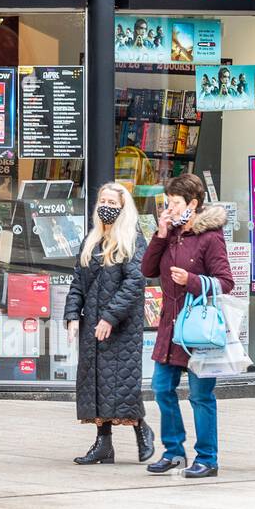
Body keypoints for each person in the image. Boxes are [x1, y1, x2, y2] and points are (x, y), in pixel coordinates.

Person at [140, 173, 233, 479]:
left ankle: (207, 457)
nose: (169, 208)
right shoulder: (172, 233)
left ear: (192, 204)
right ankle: (173, 451)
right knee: (162, 388)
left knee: (199, 395)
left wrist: (191, 281)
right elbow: (148, 269)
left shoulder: (210, 236)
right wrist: (161, 232)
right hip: (170, 327)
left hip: (199, 330)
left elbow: (225, 282)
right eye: (167, 202)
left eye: (175, 203)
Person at [65, 182, 154, 465]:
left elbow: (135, 282)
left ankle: (142, 430)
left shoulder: (133, 240)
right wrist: (72, 315)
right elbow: (78, 281)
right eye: (103, 200)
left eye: (113, 203)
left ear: (123, 207)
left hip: (122, 326)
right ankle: (103, 443)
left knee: (120, 384)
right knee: (95, 383)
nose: (107, 206)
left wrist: (109, 317)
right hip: (92, 323)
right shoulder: (91, 240)